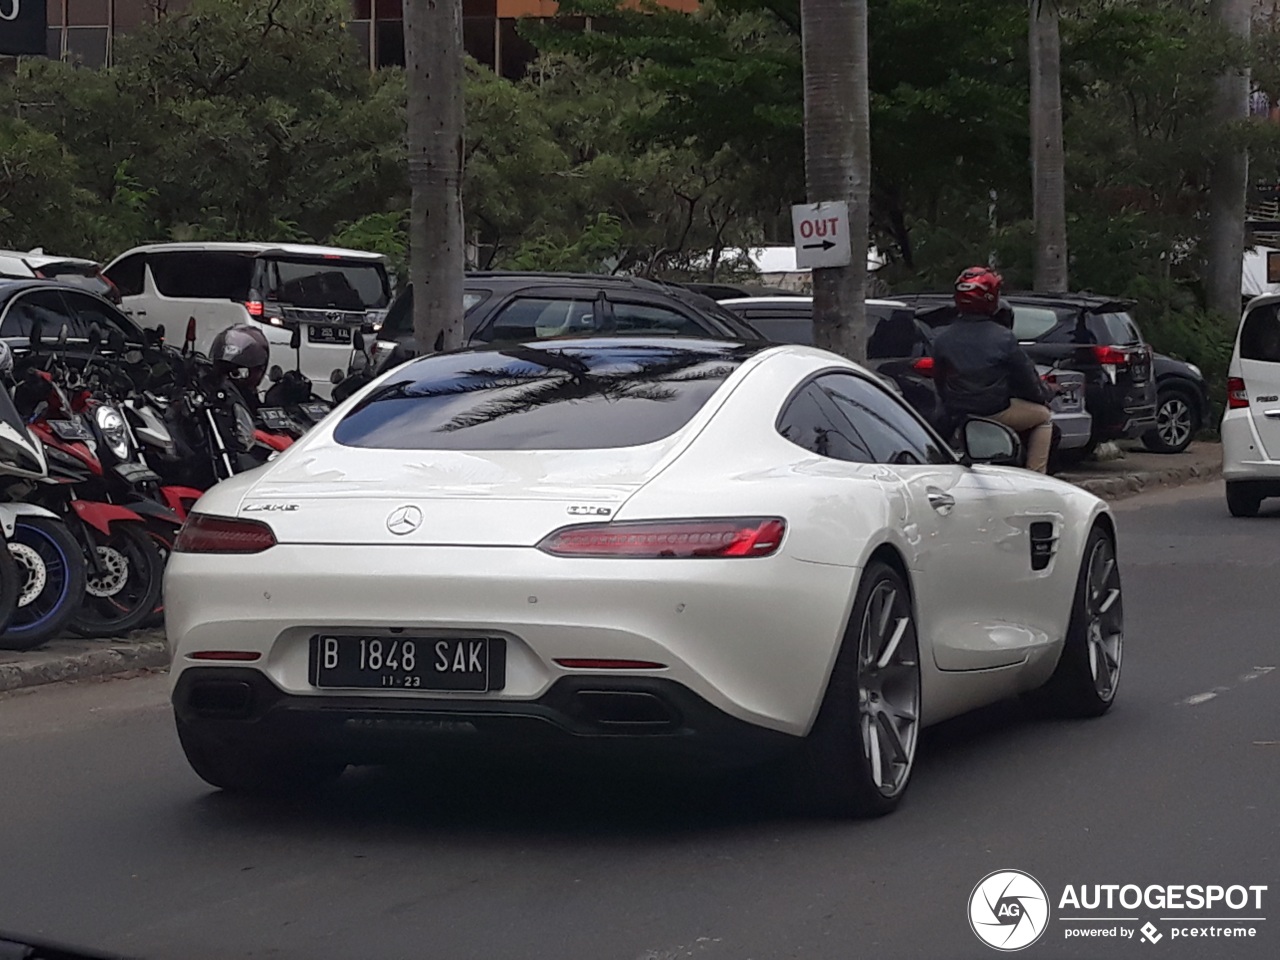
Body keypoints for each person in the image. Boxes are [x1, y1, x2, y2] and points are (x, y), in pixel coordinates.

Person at [931, 266, 1055, 473]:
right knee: (1044, 417)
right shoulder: (1003, 337)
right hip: (994, 411)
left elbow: (940, 382)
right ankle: (1036, 475)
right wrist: (1047, 393)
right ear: (991, 298)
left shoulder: (942, 338)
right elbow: (1028, 383)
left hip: (956, 414)